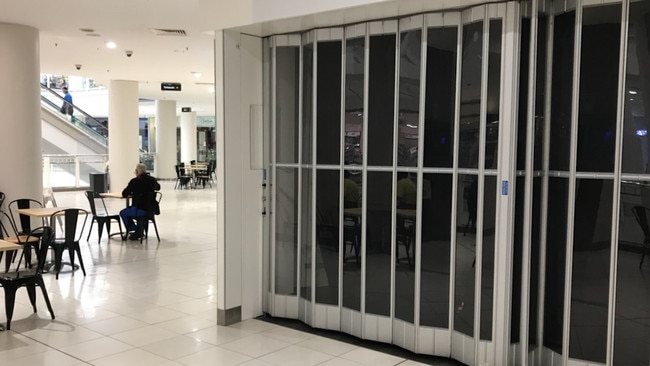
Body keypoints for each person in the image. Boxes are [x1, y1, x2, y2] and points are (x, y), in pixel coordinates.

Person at [120, 163, 160, 240]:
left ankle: (135, 229)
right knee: (130, 211)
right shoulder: (152, 180)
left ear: (137, 171)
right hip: (150, 210)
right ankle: (139, 230)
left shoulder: (134, 181)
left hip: (138, 210)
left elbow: (124, 194)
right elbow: (158, 188)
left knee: (123, 213)